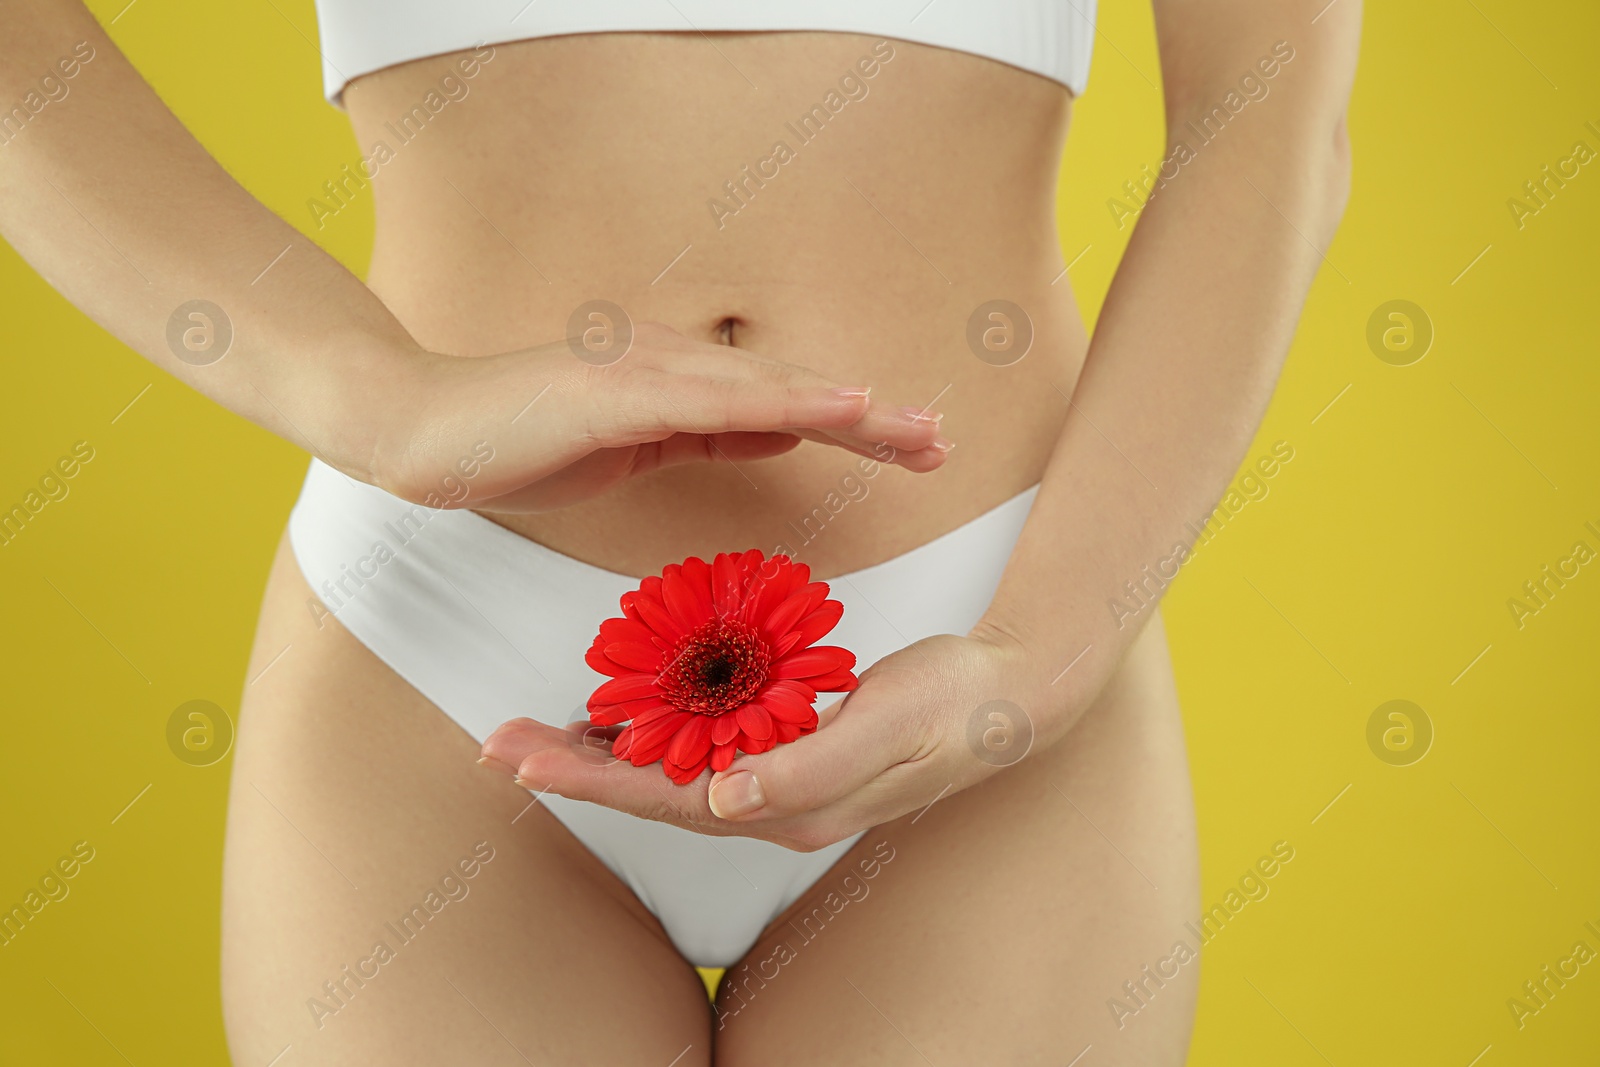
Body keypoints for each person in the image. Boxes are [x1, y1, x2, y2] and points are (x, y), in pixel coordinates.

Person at [0, 1, 1360, 1062]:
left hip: (998, 620)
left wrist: (1041, 652)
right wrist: (376, 398)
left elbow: (1274, 108)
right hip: (439, 638)